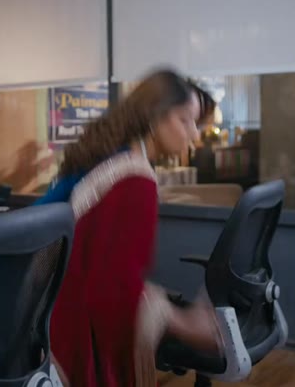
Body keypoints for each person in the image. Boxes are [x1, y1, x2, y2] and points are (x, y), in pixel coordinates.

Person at [35, 70, 221, 386]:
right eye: (185, 120)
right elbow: (115, 292)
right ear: (155, 118)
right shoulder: (135, 180)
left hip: (41, 309)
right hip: (70, 330)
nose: (193, 134)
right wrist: (186, 324)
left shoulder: (111, 156)